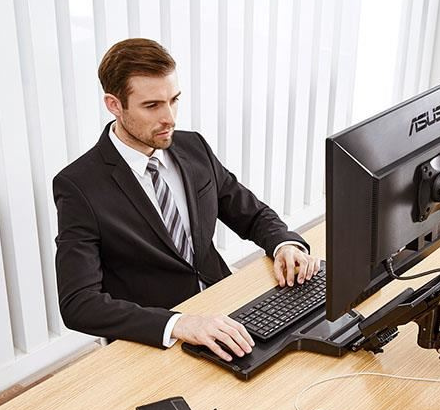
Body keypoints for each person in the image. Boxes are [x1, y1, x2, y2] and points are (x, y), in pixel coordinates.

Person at [53, 38, 320, 362]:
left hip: (225, 308)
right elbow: (79, 303)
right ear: (114, 105)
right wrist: (178, 323)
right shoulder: (79, 186)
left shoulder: (193, 147)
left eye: (174, 100)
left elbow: (250, 214)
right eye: (152, 105)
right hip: (157, 338)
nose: (169, 118)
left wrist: (284, 245)